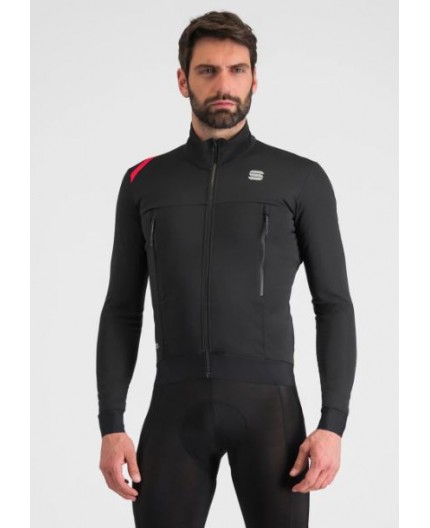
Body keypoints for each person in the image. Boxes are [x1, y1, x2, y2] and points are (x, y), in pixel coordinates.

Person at [96, 10, 357, 528]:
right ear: (183, 80)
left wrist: (333, 424)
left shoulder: (300, 178)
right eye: (208, 70)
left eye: (237, 70)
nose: (224, 85)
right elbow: (122, 309)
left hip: (270, 413)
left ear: (255, 79)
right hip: (174, 408)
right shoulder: (144, 181)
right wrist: (111, 423)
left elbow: (333, 305)